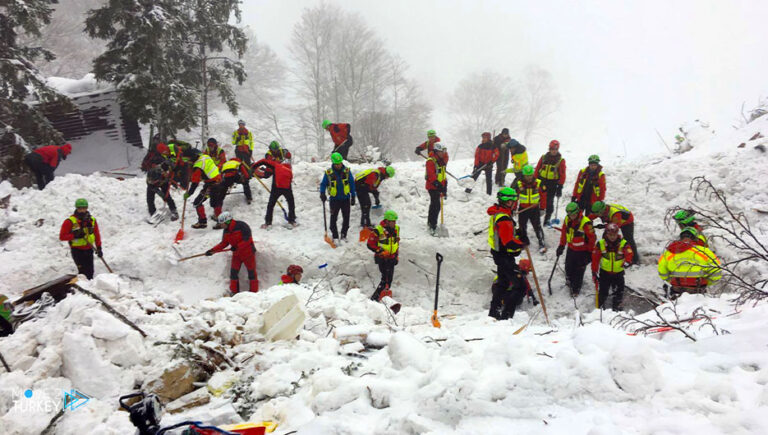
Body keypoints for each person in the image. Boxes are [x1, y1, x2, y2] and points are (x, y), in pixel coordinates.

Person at [487, 187, 528, 320]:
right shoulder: (503, 218)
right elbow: (508, 242)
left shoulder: (500, 213)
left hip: (499, 254)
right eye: (512, 201)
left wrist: (518, 233)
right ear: (506, 201)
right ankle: (506, 316)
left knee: (503, 283)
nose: (514, 203)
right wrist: (522, 243)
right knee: (520, 286)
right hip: (504, 256)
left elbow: (507, 234)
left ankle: (494, 312)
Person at [658, 227, 722, 300]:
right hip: (698, 289)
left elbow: (662, 271)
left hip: (676, 289)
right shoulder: (704, 251)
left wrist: (671, 280)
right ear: (695, 238)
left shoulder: (669, 251)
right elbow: (717, 270)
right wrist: (708, 282)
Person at [205, 212, 258, 294]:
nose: (221, 226)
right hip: (237, 255)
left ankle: (254, 293)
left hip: (248, 253)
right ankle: (234, 292)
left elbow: (247, 240)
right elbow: (223, 243)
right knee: (233, 273)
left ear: (227, 221)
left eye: (222, 224)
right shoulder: (226, 231)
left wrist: (237, 246)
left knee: (251, 272)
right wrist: (212, 251)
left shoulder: (242, 226)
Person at [556, 202, 597, 297]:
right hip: (571, 248)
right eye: (569, 214)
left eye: (573, 214)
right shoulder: (567, 220)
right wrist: (561, 245)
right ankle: (569, 280)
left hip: (582, 251)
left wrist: (589, 253)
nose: (571, 216)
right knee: (568, 267)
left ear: (578, 212)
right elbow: (564, 233)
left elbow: (592, 239)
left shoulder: (586, 223)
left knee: (579, 270)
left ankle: (576, 289)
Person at [591, 223, 634, 310]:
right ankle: (600, 307)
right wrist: (594, 272)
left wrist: (628, 261)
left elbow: (629, 253)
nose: (612, 237)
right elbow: (595, 259)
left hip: (618, 273)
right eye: (610, 235)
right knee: (603, 291)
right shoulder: (600, 244)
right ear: (606, 234)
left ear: (617, 233)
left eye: (614, 235)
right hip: (605, 273)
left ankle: (617, 307)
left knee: (619, 291)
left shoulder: (623, 243)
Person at [59, 198, 102, 280]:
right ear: (76, 208)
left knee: (90, 272)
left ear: (87, 208)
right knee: (83, 273)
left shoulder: (92, 220)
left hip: (89, 249)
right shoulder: (70, 221)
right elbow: (62, 236)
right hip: (77, 251)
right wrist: (75, 235)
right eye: (80, 208)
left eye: (84, 208)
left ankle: (90, 288)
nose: (82, 210)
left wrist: (99, 247)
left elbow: (96, 234)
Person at [320, 152, 356, 243]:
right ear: (333, 163)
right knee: (333, 219)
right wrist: (322, 193)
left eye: (340, 163)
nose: (338, 165)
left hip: (345, 199)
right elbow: (323, 184)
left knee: (346, 218)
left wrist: (353, 196)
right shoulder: (329, 173)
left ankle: (344, 235)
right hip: (334, 200)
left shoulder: (347, 171)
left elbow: (351, 183)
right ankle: (335, 236)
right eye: (336, 164)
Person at [252, 157, 297, 228]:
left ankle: (268, 222)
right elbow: (290, 181)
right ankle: (292, 220)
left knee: (271, 205)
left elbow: (263, 161)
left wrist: (253, 167)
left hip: (276, 188)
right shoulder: (289, 170)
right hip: (287, 188)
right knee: (291, 203)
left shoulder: (276, 165)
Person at [185, 153, 225, 229]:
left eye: (189, 162)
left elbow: (195, 183)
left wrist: (189, 193)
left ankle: (203, 222)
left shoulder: (197, 167)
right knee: (216, 202)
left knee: (197, 202)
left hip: (212, 185)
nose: (189, 164)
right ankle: (220, 222)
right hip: (219, 181)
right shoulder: (205, 157)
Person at [513, 164, 548, 252]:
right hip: (523, 209)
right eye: (527, 176)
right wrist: (513, 209)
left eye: (530, 175)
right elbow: (515, 197)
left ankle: (541, 242)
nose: (529, 177)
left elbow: (543, 196)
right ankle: (524, 241)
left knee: (537, 226)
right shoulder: (518, 184)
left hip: (534, 209)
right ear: (523, 175)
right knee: (522, 226)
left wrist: (542, 208)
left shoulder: (539, 183)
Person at [367, 210, 400, 301]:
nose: (394, 223)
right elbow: (370, 244)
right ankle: (374, 299)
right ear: (387, 221)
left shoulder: (396, 229)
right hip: (382, 258)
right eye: (392, 221)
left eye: (395, 221)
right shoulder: (378, 230)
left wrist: (396, 255)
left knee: (389, 280)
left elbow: (396, 244)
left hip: (392, 258)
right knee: (385, 279)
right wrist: (379, 251)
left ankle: (383, 296)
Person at [534, 139, 566, 224]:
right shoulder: (544, 157)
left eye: (555, 149)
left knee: (549, 201)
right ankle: (536, 217)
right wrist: (534, 180)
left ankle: (547, 218)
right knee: (537, 199)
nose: (554, 151)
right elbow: (537, 169)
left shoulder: (560, 160)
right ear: (549, 149)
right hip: (542, 181)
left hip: (552, 183)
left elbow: (562, 174)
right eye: (552, 149)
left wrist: (560, 186)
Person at [425, 142, 448, 236]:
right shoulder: (431, 161)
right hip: (432, 186)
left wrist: (445, 186)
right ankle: (432, 225)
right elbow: (431, 176)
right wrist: (439, 186)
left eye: (444, 151)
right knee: (436, 205)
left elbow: (443, 174)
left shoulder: (441, 160)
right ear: (437, 151)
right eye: (442, 151)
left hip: (439, 186)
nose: (444, 153)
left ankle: (430, 222)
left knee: (434, 205)